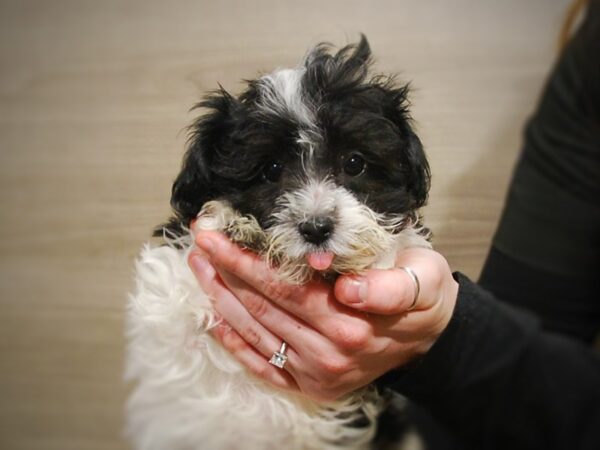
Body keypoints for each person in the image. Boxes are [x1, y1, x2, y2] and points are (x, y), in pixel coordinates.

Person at [187, 1, 600, 448]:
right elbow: (530, 329)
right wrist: (444, 333)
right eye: (271, 173)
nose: (315, 212)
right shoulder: (584, 79)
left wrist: (429, 336)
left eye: (353, 163)